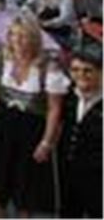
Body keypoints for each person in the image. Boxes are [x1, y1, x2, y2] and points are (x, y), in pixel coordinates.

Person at [0, 15, 69, 217]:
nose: (17, 40)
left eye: (23, 36)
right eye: (13, 35)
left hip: (31, 131)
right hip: (0, 127)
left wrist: (46, 142)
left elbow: (54, 109)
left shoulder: (48, 68)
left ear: (34, 38)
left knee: (25, 188)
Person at [58, 33, 102, 218]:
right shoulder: (68, 95)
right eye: (75, 70)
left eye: (87, 70)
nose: (80, 75)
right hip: (67, 173)